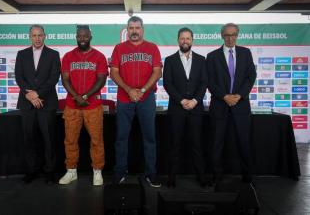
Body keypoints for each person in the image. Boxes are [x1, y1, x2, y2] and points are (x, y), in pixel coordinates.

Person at [110, 16, 163, 187]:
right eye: (131, 28)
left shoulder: (152, 48)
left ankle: (151, 173)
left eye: (137, 28)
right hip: (125, 98)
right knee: (121, 137)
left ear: (142, 29)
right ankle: (120, 172)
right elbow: (114, 72)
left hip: (146, 98)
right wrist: (129, 90)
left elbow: (157, 72)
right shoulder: (119, 48)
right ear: (127, 30)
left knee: (149, 137)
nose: (134, 31)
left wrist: (141, 90)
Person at [206, 23, 256, 185]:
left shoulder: (246, 53)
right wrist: (225, 96)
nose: (230, 38)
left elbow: (251, 77)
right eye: (227, 35)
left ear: (237, 35)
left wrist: (239, 95)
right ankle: (217, 176)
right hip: (219, 106)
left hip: (241, 106)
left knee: (244, 142)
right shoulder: (212, 56)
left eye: (233, 34)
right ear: (222, 35)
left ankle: (247, 176)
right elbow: (210, 81)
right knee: (217, 143)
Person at [58, 25, 108, 186]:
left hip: (92, 105)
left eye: (85, 36)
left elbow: (101, 79)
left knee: (96, 140)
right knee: (70, 140)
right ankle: (71, 171)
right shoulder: (68, 56)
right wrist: (76, 96)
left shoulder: (99, 56)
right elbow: (65, 79)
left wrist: (85, 96)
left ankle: (97, 171)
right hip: (72, 106)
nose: (82, 39)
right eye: (79, 36)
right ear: (76, 37)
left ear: (90, 37)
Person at [15, 24, 61, 184]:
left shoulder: (54, 54)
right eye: (34, 35)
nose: (37, 38)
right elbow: (19, 77)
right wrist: (30, 95)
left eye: (40, 35)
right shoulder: (21, 54)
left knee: (49, 139)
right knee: (29, 138)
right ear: (30, 37)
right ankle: (31, 170)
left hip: (46, 103)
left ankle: (50, 171)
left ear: (45, 36)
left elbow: (53, 78)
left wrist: (38, 94)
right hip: (27, 103)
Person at [163, 27, 208, 188]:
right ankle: (171, 178)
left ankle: (201, 177)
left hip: (196, 109)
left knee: (197, 145)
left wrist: (195, 100)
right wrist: (182, 100)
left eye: (188, 38)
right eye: (182, 38)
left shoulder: (202, 60)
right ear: (178, 40)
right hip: (177, 109)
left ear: (192, 40)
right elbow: (168, 83)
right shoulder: (170, 60)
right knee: (174, 145)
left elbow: (204, 82)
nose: (185, 41)